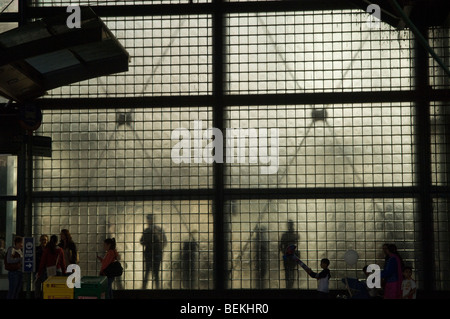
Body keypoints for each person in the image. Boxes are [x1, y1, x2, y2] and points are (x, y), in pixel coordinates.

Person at [140, 214, 167, 289]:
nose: (148, 221)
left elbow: (142, 242)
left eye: (149, 219)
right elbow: (164, 242)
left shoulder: (154, 230)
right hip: (154, 254)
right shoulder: (154, 230)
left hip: (152, 254)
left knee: (150, 273)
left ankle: (145, 289)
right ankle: (156, 289)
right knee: (154, 273)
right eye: (148, 219)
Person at [279, 220, 299, 289]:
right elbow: (281, 246)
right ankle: (290, 286)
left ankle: (289, 287)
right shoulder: (295, 235)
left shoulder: (285, 235)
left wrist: (284, 252)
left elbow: (281, 246)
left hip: (288, 255)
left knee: (289, 271)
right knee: (291, 271)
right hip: (291, 255)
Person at [34, 234, 48, 299]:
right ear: (40, 240)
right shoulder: (36, 250)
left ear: (47, 241)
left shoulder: (49, 250)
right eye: (42, 240)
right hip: (37, 271)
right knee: (37, 288)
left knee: (45, 288)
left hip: (46, 271)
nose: (43, 241)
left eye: (45, 240)